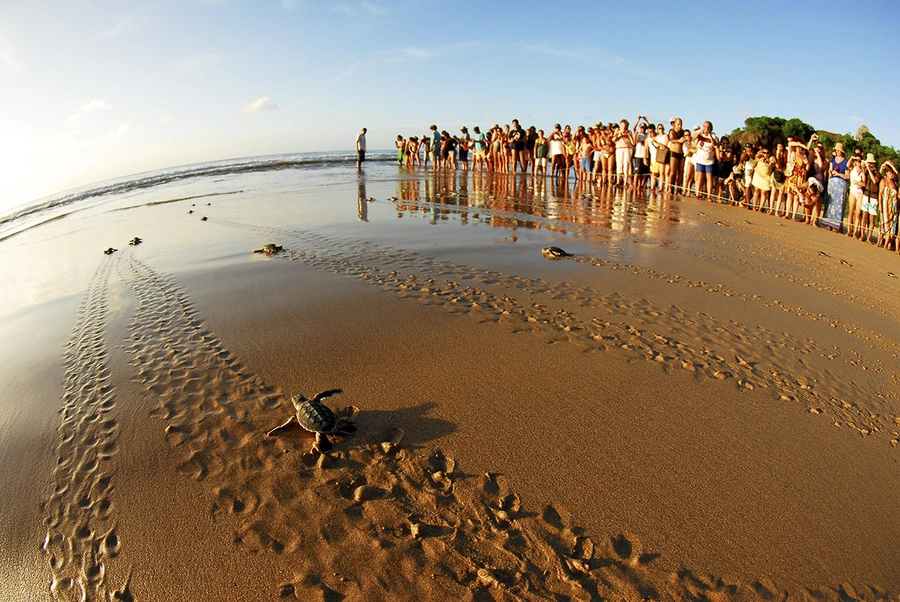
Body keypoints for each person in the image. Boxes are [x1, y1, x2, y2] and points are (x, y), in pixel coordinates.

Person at [822, 143, 850, 231]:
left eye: (839, 151)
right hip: (832, 182)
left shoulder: (845, 161)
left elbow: (847, 176)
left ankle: (837, 225)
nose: (837, 152)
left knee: (839, 205)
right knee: (830, 202)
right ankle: (828, 223)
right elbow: (830, 170)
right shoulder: (833, 159)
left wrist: (838, 174)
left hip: (841, 184)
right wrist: (830, 175)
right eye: (836, 150)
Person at [693, 121, 718, 200]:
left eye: (708, 127)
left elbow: (715, 145)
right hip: (700, 159)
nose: (706, 128)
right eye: (705, 126)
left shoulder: (714, 136)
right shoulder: (700, 133)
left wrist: (710, 137)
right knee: (699, 176)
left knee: (709, 177)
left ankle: (709, 196)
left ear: (710, 128)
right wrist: (699, 132)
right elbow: (694, 137)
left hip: (709, 160)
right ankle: (698, 193)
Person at [878, 160, 899, 251]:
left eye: (892, 172)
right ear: (886, 173)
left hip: (894, 207)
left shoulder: (895, 182)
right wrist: (880, 205)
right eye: (890, 172)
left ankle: (889, 244)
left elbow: (897, 173)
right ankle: (884, 243)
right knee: (885, 223)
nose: (892, 174)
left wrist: (891, 165)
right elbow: (880, 194)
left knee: (892, 225)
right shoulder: (883, 181)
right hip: (885, 205)